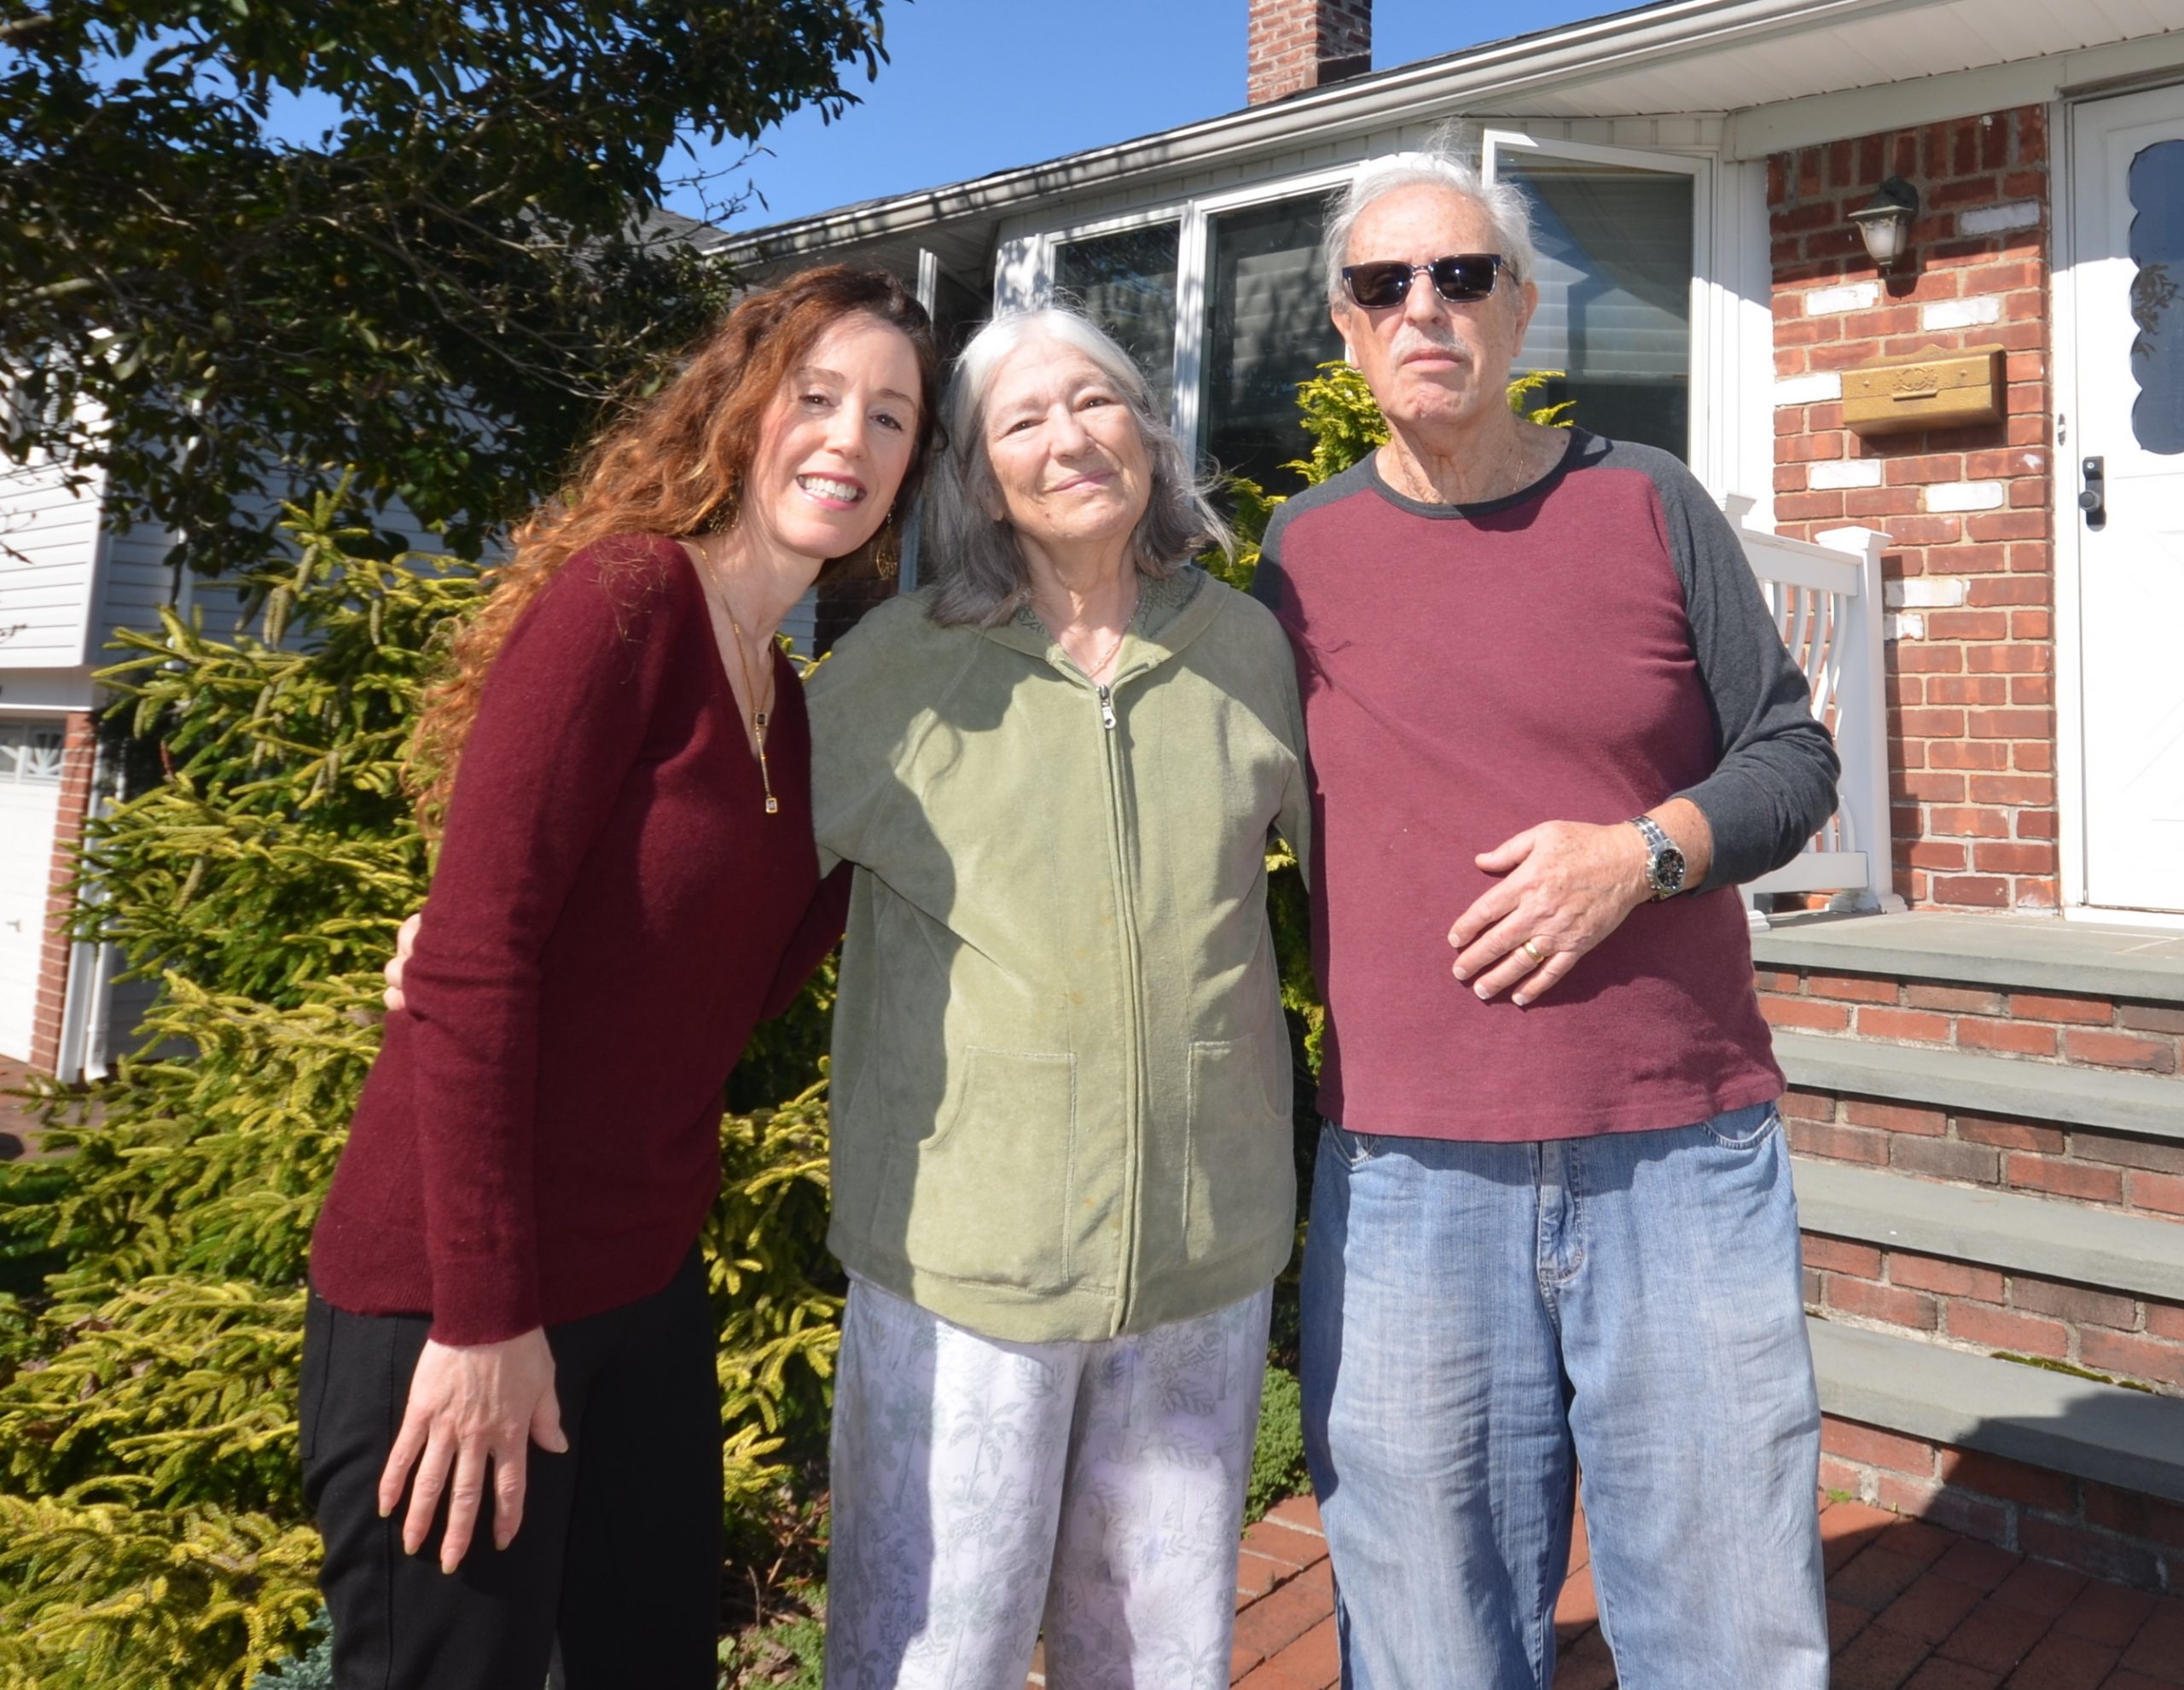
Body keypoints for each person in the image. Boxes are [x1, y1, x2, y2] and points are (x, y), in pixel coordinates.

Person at [1249, 147, 1841, 1690]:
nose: (1424, 308)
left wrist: (1643, 851)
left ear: (1520, 308)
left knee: (1727, 1631)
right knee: (1432, 1638)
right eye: (1386, 286)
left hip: (1678, 1154)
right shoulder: (1298, 562)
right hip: (1405, 1177)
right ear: (1346, 325)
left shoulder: (1644, 500)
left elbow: (1792, 754)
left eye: (1461, 276)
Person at [304, 265, 939, 1690]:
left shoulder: (786, 709)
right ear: (739, 408)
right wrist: (481, 1320)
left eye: (891, 418)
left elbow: (725, 994)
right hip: (454, 1297)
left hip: (639, 1291)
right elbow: (476, 962)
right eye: (817, 396)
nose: (850, 440)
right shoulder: (628, 605)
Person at [805, 305, 1310, 1690]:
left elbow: (1372, 882)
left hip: (1201, 1258)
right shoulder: (894, 670)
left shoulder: (1248, 650)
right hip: (961, 1268)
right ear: (978, 477)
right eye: (1022, 419)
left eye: (1097, 401)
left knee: (1156, 1657)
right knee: (931, 1656)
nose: (1070, 436)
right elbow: (730, 879)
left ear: (1149, 431)